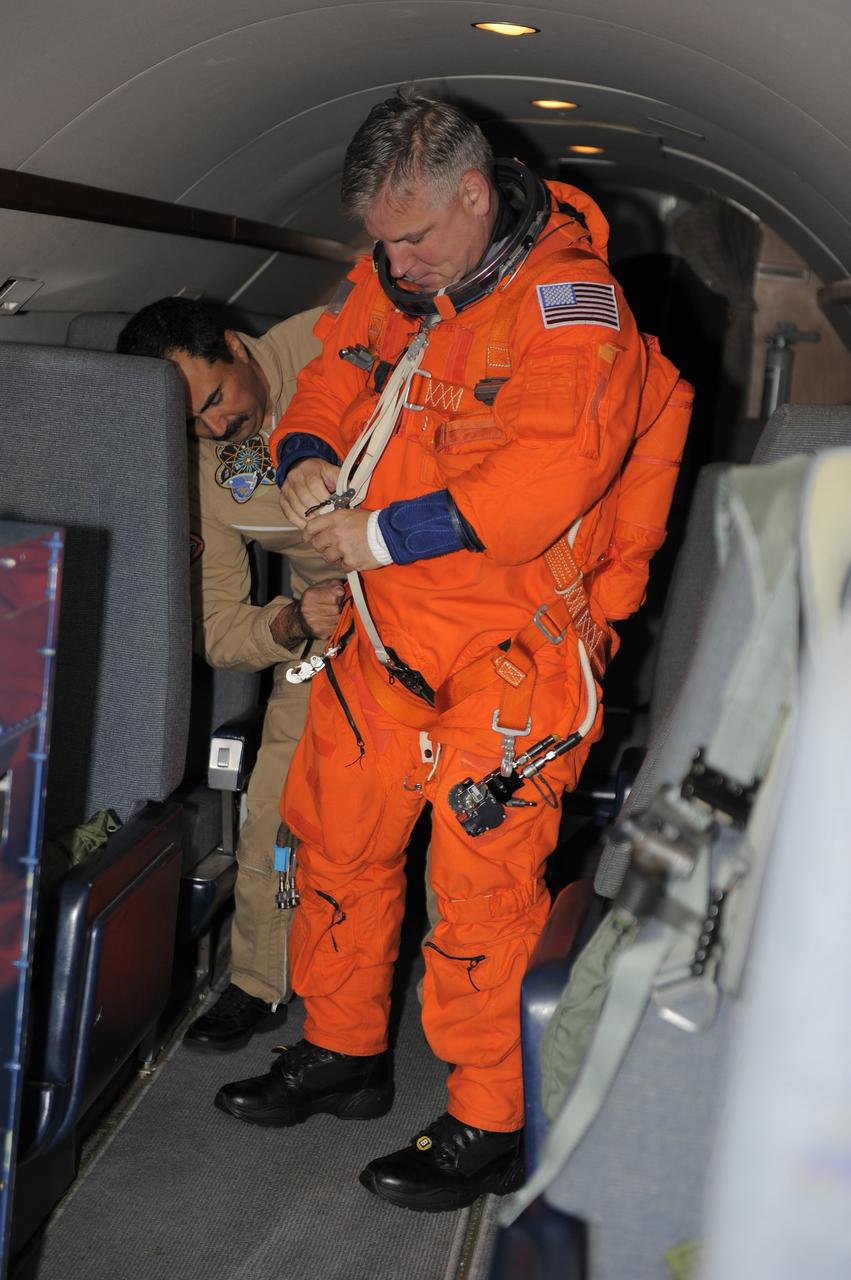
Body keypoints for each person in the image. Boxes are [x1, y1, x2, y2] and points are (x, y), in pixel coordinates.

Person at [215, 91, 689, 1212]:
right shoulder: (402, 281)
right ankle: (343, 1052)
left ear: (475, 194)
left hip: (510, 658)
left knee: (480, 904)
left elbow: (537, 488)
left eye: (415, 235)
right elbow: (329, 375)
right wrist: (299, 454)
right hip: (388, 638)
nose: (397, 261)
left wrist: (372, 530)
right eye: (383, 241)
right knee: (334, 847)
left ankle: (489, 1114)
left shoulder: (573, 310)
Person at [116, 299, 344, 1050]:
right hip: (333, 635)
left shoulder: (335, 342)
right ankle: (258, 980)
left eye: (214, 400)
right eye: (192, 424)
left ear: (238, 348)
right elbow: (217, 624)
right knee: (273, 812)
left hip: (455, 612)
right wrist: (290, 623)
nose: (214, 429)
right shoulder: (210, 470)